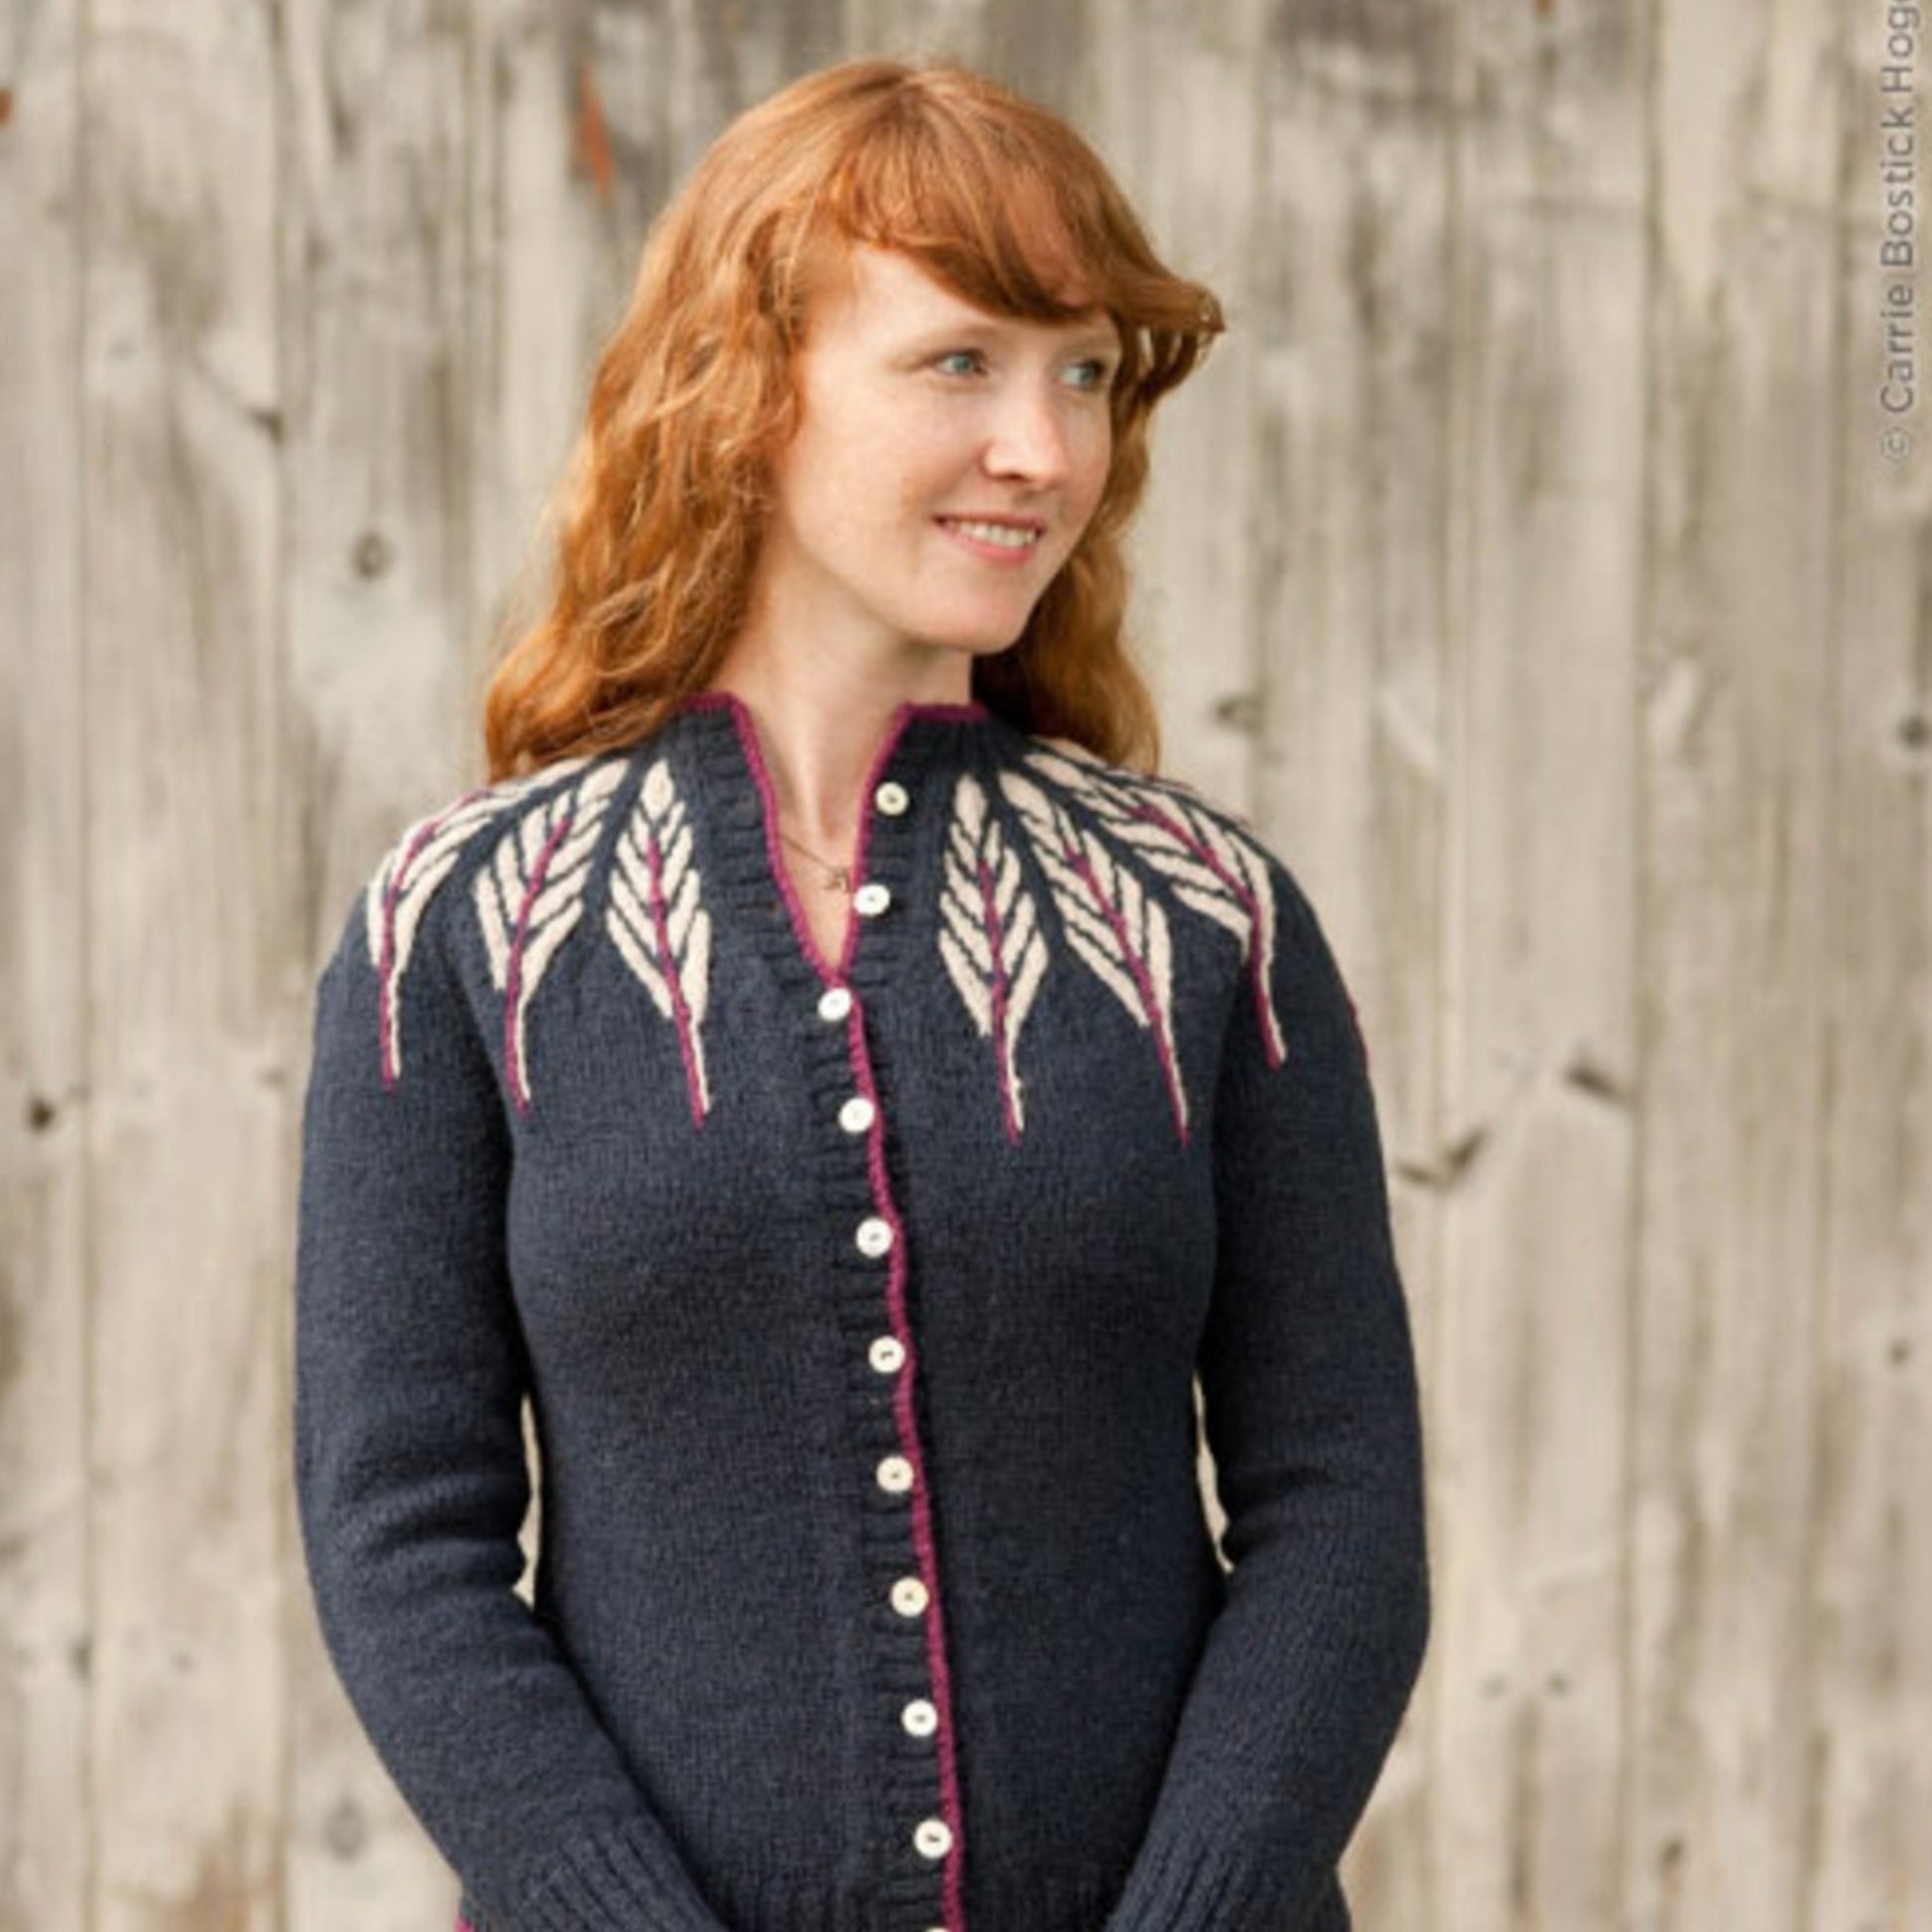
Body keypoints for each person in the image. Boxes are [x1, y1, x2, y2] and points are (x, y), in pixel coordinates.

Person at [292, 55, 1430, 1932]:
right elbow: (400, 1535)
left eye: (1080, 372)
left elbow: (1338, 1510)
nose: (1044, 450)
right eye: (962, 361)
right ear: (747, 389)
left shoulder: (1206, 920)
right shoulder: (459, 932)